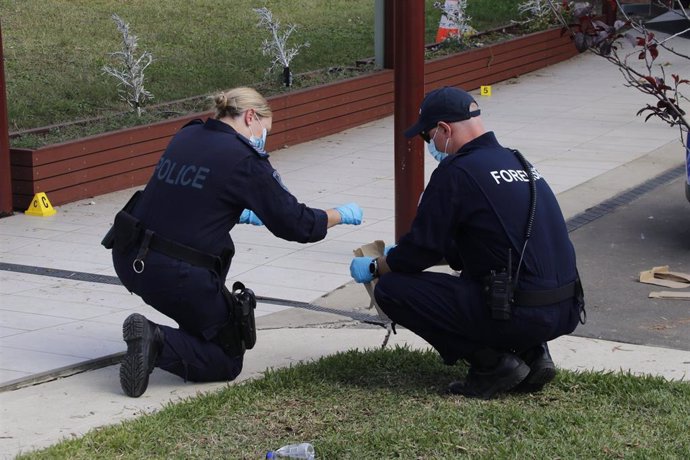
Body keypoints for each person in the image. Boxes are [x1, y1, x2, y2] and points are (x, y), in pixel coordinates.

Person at [106, 87, 363, 398]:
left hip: (129, 258)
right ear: (250, 116)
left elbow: (187, 193)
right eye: (264, 129)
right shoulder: (245, 158)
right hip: (174, 275)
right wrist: (338, 214)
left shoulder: (189, 135)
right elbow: (296, 224)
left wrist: (238, 213)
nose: (263, 137)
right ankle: (155, 340)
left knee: (210, 300)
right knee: (227, 357)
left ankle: (175, 334)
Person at [349, 86, 585, 399]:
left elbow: (420, 251)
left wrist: (376, 265)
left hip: (520, 314)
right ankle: (533, 354)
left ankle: (493, 365)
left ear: (445, 130)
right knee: (497, 276)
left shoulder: (456, 171)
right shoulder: (519, 162)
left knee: (393, 289)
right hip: (565, 309)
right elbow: (477, 246)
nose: (429, 145)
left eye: (427, 136)